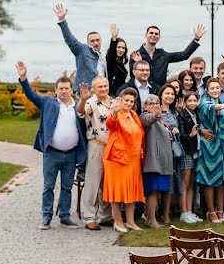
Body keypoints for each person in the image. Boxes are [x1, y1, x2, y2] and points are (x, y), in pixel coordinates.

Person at [16, 61, 86, 230]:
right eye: (60, 88)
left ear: (71, 90)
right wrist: (24, 78)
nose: (63, 91)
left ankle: (65, 217)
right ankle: (46, 217)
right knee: (48, 187)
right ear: (56, 90)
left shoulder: (78, 107)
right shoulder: (48, 103)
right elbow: (31, 95)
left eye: (66, 88)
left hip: (70, 154)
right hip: (52, 154)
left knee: (67, 187)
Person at [103, 86, 145, 232]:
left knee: (131, 192)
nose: (128, 103)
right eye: (126, 100)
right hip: (117, 159)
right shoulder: (116, 113)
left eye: (131, 101)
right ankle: (118, 222)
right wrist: (114, 112)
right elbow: (110, 124)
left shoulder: (134, 115)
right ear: (120, 100)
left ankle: (131, 222)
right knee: (117, 192)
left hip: (133, 160)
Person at [75, 76, 113, 230]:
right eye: (100, 87)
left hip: (111, 147)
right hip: (96, 145)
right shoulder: (90, 102)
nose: (103, 89)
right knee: (93, 182)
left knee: (107, 182)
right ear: (94, 89)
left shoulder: (114, 101)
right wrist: (83, 99)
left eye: (105, 86)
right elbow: (81, 111)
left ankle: (106, 216)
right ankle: (90, 217)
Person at [195, 77, 224, 223]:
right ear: (207, 90)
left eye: (217, 87)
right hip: (210, 146)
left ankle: (220, 209)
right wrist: (220, 108)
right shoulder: (204, 102)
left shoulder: (223, 101)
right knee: (210, 179)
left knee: (222, 179)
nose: (215, 90)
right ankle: (210, 212)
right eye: (212, 88)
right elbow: (207, 109)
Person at [140, 86, 178, 228]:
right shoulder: (145, 116)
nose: (155, 106)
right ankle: (151, 220)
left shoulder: (162, 118)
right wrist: (155, 115)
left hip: (163, 161)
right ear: (145, 106)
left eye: (157, 103)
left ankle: (153, 217)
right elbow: (147, 120)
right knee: (153, 191)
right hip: (153, 161)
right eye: (151, 103)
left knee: (160, 190)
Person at [53, 4, 106, 92]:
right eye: (92, 41)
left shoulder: (102, 58)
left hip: (101, 92)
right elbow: (70, 40)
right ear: (88, 42)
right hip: (86, 92)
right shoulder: (82, 50)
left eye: (97, 40)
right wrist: (62, 20)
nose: (96, 43)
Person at [130, 24, 205, 85]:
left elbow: (183, 55)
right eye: (151, 33)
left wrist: (196, 39)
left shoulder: (163, 55)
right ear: (146, 35)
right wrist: (138, 63)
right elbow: (132, 76)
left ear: (159, 37)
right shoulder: (136, 54)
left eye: (156, 34)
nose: (154, 35)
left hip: (160, 92)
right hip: (142, 90)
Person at [177, 91, 202, 224]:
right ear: (185, 102)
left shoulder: (195, 114)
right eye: (190, 101)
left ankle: (189, 211)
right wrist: (191, 135)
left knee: (192, 183)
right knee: (185, 183)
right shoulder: (182, 115)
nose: (193, 103)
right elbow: (182, 135)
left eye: (194, 100)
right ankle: (184, 212)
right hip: (186, 151)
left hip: (194, 151)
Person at [106, 23, 130, 95]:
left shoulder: (122, 63)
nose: (121, 50)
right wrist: (113, 38)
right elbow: (111, 53)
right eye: (118, 47)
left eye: (123, 48)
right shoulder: (110, 61)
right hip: (112, 94)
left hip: (120, 93)